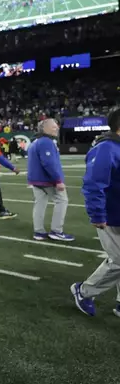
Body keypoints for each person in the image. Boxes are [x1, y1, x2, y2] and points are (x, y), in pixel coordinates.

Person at [71, 109, 120, 317]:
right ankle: (83, 291)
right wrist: (97, 214)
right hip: (112, 214)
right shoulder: (106, 148)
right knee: (118, 260)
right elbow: (93, 184)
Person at [26, 119, 74, 242]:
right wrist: (58, 180)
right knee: (62, 200)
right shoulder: (46, 142)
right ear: (45, 128)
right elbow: (49, 163)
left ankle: (39, 232)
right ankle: (56, 231)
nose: (57, 128)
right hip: (46, 180)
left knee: (39, 204)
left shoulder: (35, 141)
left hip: (35, 180)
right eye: (53, 127)